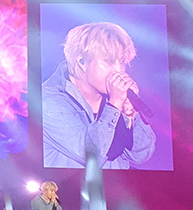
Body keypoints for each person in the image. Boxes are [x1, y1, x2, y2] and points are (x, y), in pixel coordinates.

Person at [42, 21, 156, 169]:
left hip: (115, 184)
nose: (119, 70)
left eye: (122, 62)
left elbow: (141, 155)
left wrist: (129, 112)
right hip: (70, 184)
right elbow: (91, 156)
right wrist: (114, 105)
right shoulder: (48, 101)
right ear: (82, 62)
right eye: (109, 62)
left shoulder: (113, 96)